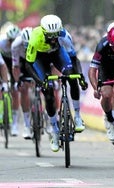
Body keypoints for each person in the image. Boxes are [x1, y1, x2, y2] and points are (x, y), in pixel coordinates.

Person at [25, 14, 88, 152]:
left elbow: (74, 59)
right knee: (48, 94)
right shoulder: (35, 38)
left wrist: (81, 76)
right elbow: (28, 65)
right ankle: (54, 130)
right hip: (41, 60)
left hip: (58, 54)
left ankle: (77, 116)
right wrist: (40, 82)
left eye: (56, 35)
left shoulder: (64, 36)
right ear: (43, 32)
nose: (53, 39)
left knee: (72, 77)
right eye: (50, 36)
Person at [88, 23, 114, 143]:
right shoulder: (102, 45)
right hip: (106, 69)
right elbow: (92, 70)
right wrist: (95, 88)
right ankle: (109, 119)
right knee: (107, 93)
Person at [11, 27, 33, 139]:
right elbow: (15, 66)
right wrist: (17, 81)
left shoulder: (39, 41)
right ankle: (27, 125)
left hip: (36, 59)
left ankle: (47, 118)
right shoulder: (15, 45)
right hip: (23, 62)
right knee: (23, 89)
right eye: (26, 44)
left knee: (46, 87)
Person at [0, 23, 21, 136]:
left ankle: (14, 123)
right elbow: (2, 65)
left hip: (14, 63)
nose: (12, 43)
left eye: (14, 40)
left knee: (15, 91)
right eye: (10, 40)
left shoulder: (20, 44)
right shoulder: (1, 43)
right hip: (3, 63)